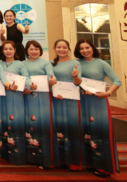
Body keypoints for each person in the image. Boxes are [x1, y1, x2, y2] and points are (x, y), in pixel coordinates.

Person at [75, 39, 121, 177]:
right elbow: (75, 82)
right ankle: (90, 162)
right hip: (82, 101)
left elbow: (117, 81)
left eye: (87, 47)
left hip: (98, 101)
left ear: (93, 48)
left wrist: (108, 93)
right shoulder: (77, 64)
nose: (85, 50)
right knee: (85, 131)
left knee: (100, 132)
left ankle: (103, 167)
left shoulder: (101, 63)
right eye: (82, 48)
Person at [22, 40, 59, 169]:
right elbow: (24, 78)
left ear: (40, 50)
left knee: (44, 125)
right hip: (29, 98)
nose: (33, 51)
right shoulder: (22, 63)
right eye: (31, 49)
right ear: (26, 51)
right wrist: (27, 87)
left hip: (43, 97)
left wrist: (52, 80)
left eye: (36, 49)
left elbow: (51, 77)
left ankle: (47, 158)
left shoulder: (46, 63)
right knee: (30, 125)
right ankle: (31, 156)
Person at [50, 39, 82, 172]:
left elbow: (78, 83)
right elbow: (50, 81)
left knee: (72, 128)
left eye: (64, 47)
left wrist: (75, 76)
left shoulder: (75, 63)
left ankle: (74, 161)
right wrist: (52, 89)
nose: (61, 49)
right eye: (58, 47)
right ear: (55, 48)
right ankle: (60, 159)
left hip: (71, 100)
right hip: (56, 99)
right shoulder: (51, 63)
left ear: (68, 49)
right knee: (58, 127)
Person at [0, 40, 31, 165]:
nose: (8, 51)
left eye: (10, 49)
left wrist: (30, 86)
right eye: (5, 49)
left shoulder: (20, 64)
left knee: (16, 122)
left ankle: (17, 155)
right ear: (2, 51)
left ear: (15, 50)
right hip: (2, 96)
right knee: (4, 122)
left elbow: (26, 77)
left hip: (17, 97)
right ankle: (4, 154)